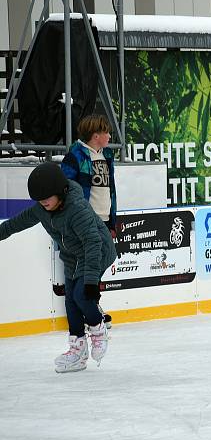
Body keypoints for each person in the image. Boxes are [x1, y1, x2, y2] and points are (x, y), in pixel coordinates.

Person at [0, 163, 116, 372]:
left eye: (47, 197)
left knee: (82, 295)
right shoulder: (42, 209)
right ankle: (78, 350)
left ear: (61, 192)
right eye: (40, 199)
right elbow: (15, 224)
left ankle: (98, 328)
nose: (43, 202)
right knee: (70, 301)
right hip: (72, 256)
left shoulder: (77, 209)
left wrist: (91, 282)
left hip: (96, 252)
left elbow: (93, 243)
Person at [61, 114, 117, 326]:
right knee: (87, 264)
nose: (110, 136)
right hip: (85, 221)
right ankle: (89, 307)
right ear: (96, 135)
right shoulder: (75, 156)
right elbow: (65, 190)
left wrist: (111, 221)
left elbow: (110, 191)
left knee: (103, 259)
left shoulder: (106, 156)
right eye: (107, 133)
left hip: (103, 219)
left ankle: (91, 303)